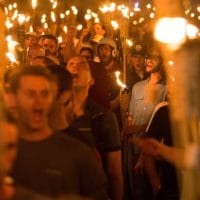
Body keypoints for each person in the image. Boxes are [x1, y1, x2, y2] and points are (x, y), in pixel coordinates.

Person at [10, 66, 108, 199]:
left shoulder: (78, 151)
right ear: (14, 98)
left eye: (45, 94)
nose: (38, 102)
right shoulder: (6, 150)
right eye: (30, 94)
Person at [66, 56, 123, 200]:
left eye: (82, 65)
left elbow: (114, 171)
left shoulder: (103, 117)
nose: (75, 67)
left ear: (91, 80)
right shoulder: (52, 114)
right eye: (71, 64)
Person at [125, 45, 166, 200]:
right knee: (134, 190)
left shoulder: (166, 90)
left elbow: (158, 123)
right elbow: (131, 115)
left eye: (154, 58)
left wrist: (139, 128)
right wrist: (129, 128)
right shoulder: (138, 87)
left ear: (162, 61)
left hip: (151, 149)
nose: (148, 61)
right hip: (133, 146)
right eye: (148, 57)